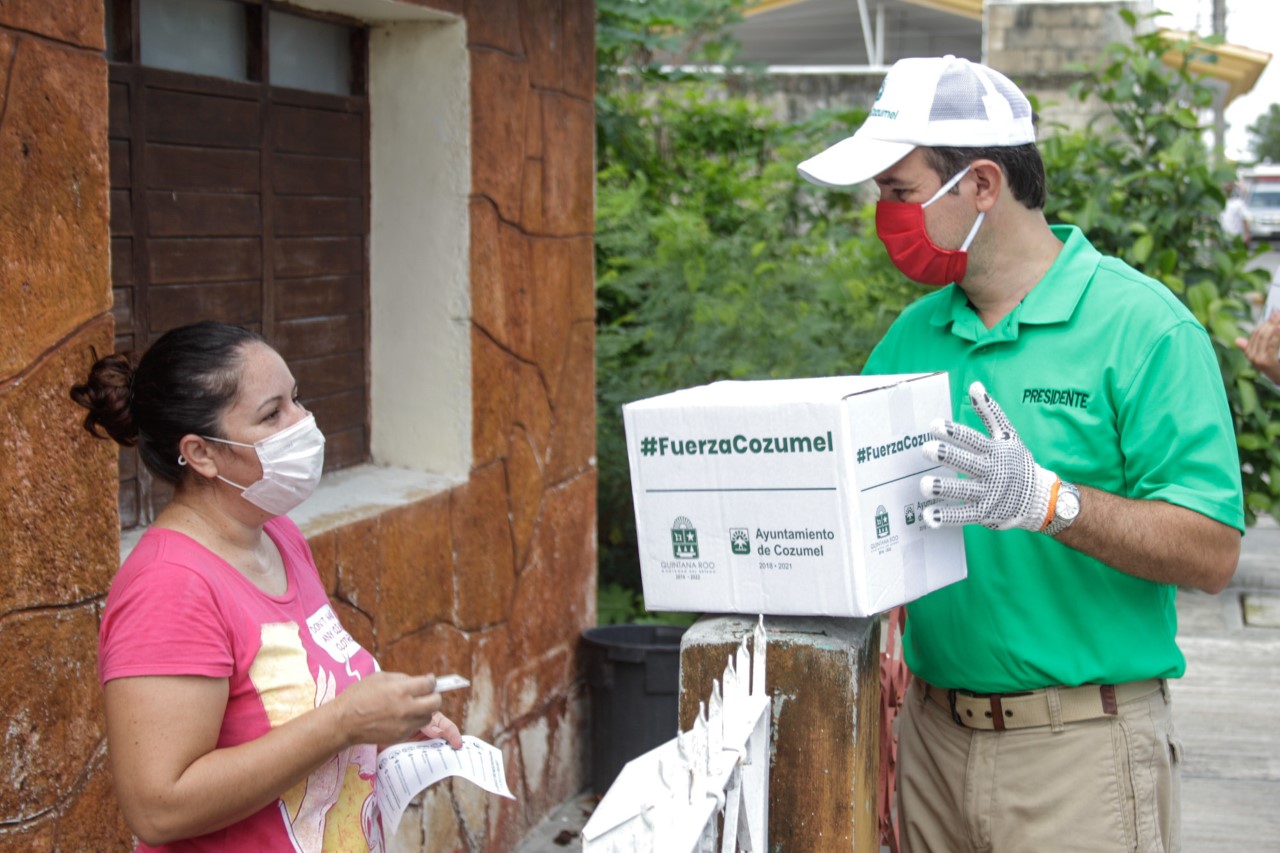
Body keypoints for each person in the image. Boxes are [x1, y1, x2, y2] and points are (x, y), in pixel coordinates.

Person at [798, 56, 1243, 852]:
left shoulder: (1143, 331)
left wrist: (1049, 502)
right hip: (933, 741)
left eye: (899, 192)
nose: (884, 215)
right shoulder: (911, 338)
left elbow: (1211, 553)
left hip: (1080, 751)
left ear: (979, 184)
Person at [70, 321, 463, 851]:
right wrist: (346, 723)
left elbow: (295, 706)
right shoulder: (169, 585)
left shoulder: (276, 535)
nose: (303, 423)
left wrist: (383, 724)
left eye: (296, 400)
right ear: (202, 453)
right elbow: (158, 808)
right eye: (271, 413)